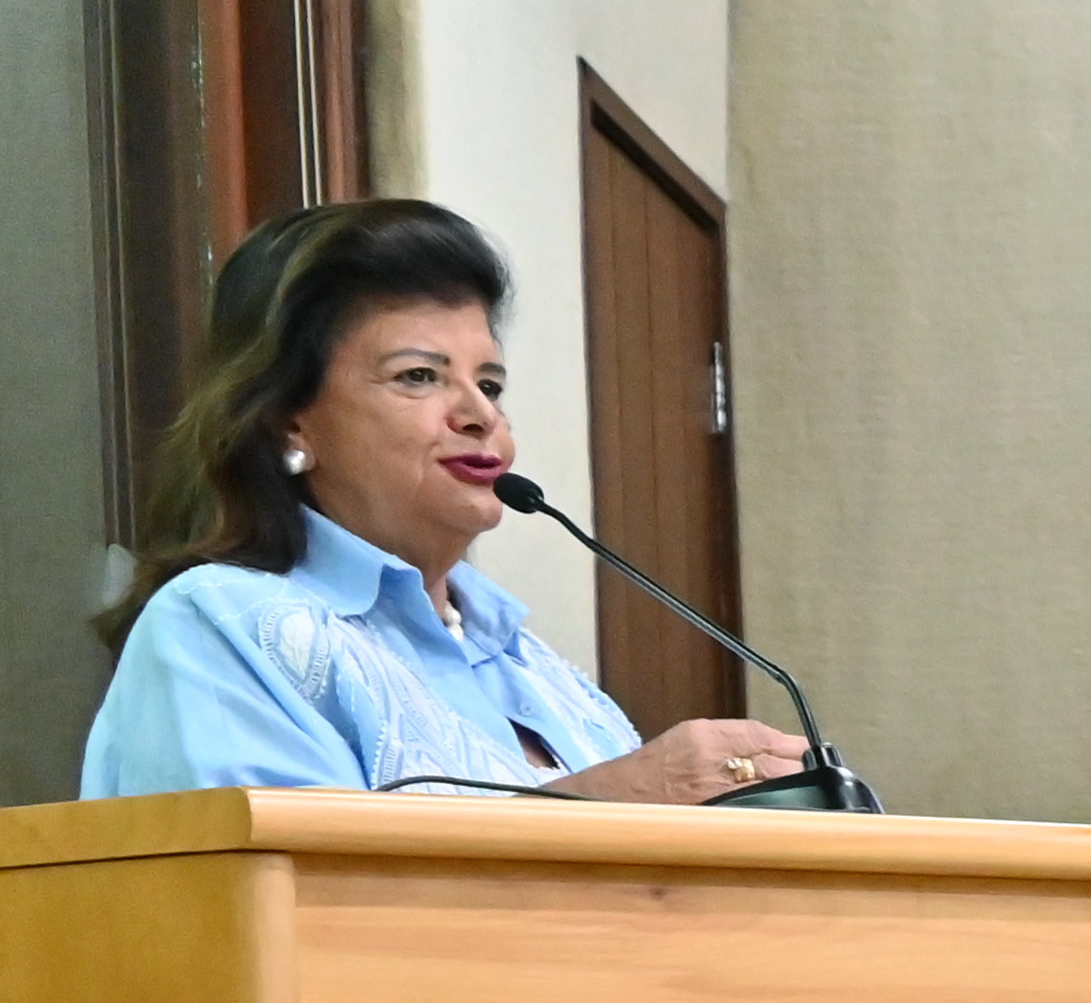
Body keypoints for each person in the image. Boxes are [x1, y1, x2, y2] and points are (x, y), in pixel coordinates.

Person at [80, 199, 814, 804]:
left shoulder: (541, 672)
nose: (480, 414)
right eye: (419, 377)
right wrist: (614, 798)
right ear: (286, 421)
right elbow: (284, 903)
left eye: (489, 384)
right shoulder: (224, 625)